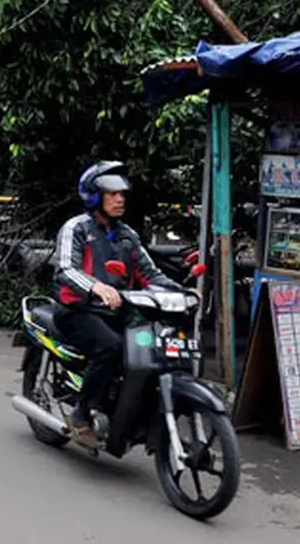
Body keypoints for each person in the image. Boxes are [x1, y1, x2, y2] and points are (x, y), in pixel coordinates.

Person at [52, 160, 182, 449]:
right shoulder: (76, 228)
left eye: (122, 193)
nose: (119, 198)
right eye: (112, 193)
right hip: (77, 310)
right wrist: (97, 287)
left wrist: (181, 292)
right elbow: (65, 269)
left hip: (118, 309)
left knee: (152, 347)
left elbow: (149, 273)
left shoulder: (127, 235)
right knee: (110, 347)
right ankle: (82, 416)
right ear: (95, 196)